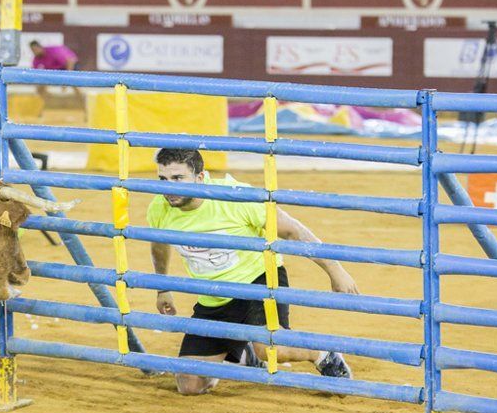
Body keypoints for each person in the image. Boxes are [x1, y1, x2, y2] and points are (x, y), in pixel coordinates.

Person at [147, 148, 358, 395]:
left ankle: (321, 353)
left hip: (258, 283)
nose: (169, 188)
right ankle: (242, 352)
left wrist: (335, 270)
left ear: (200, 177)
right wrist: (162, 288)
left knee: (272, 349)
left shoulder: (235, 197)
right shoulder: (159, 208)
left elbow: (292, 231)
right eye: (163, 179)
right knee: (189, 385)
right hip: (214, 296)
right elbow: (159, 245)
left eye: (177, 178)